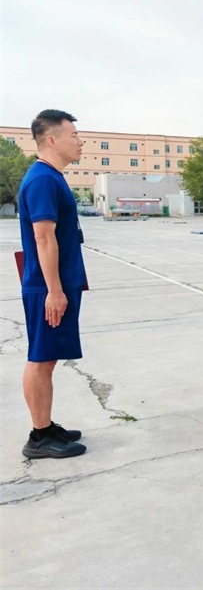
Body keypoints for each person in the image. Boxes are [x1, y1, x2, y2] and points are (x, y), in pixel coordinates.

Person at [18, 110, 88, 459]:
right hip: (48, 287)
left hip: (56, 284)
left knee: (47, 358)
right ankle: (39, 436)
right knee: (41, 358)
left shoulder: (51, 177)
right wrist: (55, 291)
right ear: (51, 139)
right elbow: (43, 237)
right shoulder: (43, 180)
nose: (80, 141)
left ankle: (45, 426)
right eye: (73, 135)